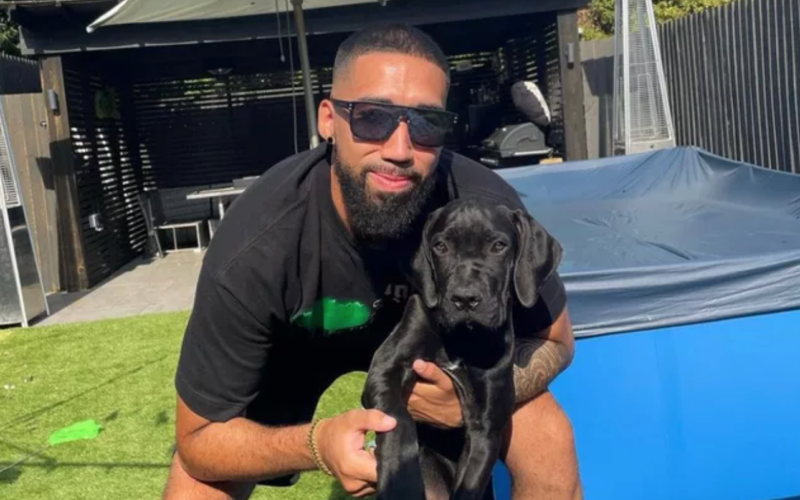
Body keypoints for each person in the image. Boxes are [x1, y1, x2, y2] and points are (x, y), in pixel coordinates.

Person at [163, 23, 582, 500]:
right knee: (197, 484)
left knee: (549, 437)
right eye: (371, 117)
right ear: (328, 120)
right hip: (293, 355)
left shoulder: (485, 209)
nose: (399, 150)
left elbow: (557, 342)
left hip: (440, 348)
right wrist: (317, 443)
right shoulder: (257, 244)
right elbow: (198, 442)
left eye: (426, 123)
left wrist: (470, 399)